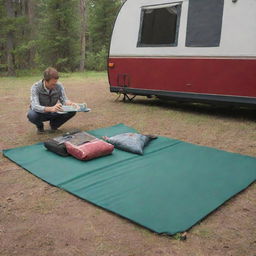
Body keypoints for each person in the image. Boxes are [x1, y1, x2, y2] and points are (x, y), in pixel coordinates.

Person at [27, 67, 77, 134]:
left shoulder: (59, 85)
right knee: (31, 115)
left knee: (72, 110)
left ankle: (54, 126)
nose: (54, 86)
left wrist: (68, 103)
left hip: (53, 112)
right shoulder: (35, 87)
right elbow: (35, 106)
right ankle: (40, 127)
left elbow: (63, 99)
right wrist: (51, 109)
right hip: (40, 113)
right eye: (52, 84)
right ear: (45, 80)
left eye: (56, 83)